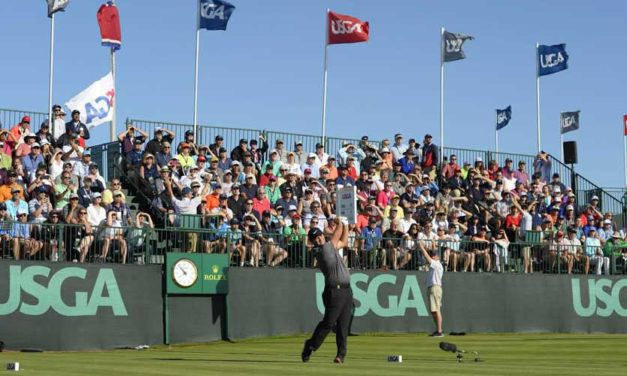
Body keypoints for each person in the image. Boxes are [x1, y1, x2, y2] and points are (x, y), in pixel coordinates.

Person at [302, 217, 352, 364]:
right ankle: (310, 345)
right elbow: (337, 234)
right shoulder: (323, 250)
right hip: (334, 292)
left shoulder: (330, 246)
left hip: (346, 291)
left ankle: (340, 355)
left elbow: (344, 241)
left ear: (323, 235)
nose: (318, 240)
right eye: (315, 239)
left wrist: (346, 225)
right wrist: (340, 222)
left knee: (343, 326)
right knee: (328, 323)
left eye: (319, 236)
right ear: (312, 242)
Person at [419, 243, 444, 337]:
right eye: (432, 255)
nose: (432, 256)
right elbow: (430, 255)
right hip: (432, 288)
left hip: (435, 288)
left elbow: (427, 256)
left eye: (434, 255)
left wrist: (421, 247)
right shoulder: (434, 264)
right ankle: (438, 330)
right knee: (434, 311)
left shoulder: (436, 264)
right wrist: (433, 243)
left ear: (437, 257)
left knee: (436, 310)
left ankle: (440, 331)